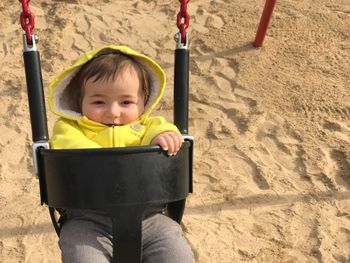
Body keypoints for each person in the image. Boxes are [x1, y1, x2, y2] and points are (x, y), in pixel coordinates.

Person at [48, 45, 194, 263]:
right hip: (87, 221)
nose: (113, 112)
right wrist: (105, 163)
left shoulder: (147, 126)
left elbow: (164, 130)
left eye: (126, 102)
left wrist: (163, 136)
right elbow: (65, 146)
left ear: (143, 102)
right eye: (99, 102)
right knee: (82, 256)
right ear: (80, 102)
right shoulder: (70, 128)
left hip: (150, 218)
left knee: (176, 253)